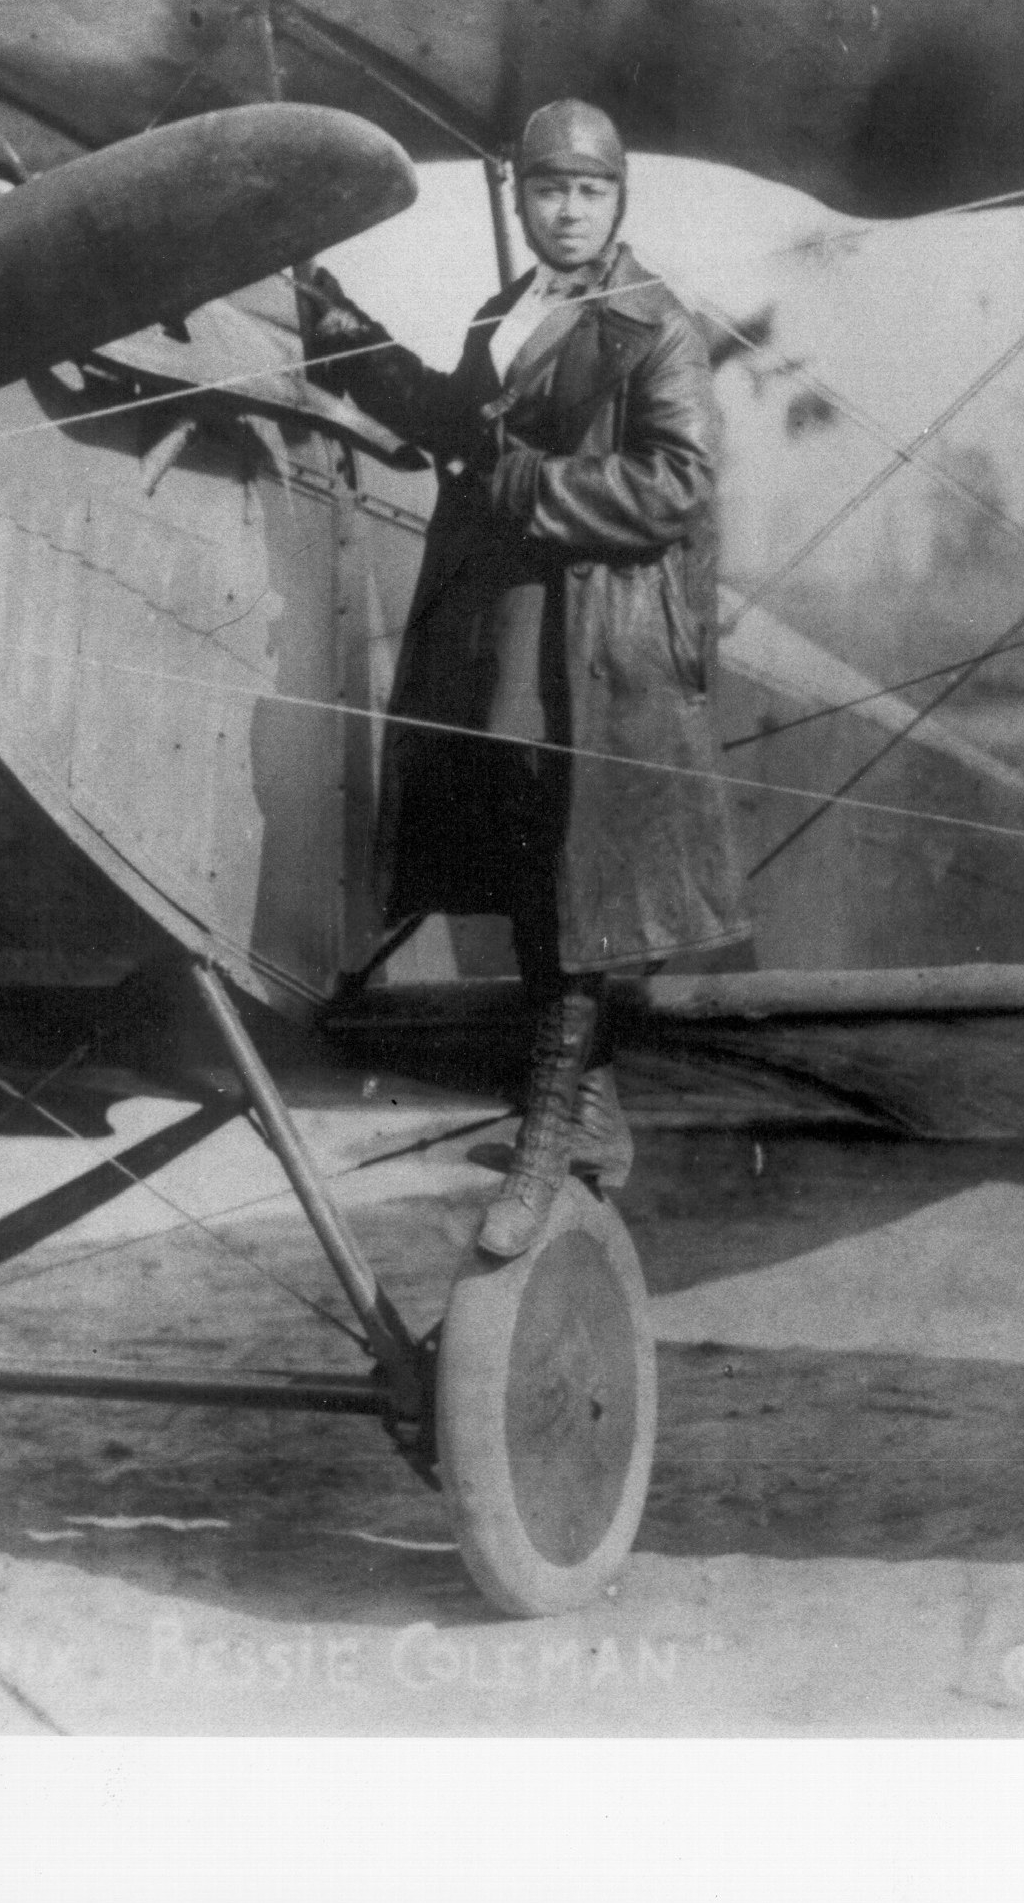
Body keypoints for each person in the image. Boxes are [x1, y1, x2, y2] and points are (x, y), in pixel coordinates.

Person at [297, 99, 748, 1256]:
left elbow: (678, 485)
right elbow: (457, 421)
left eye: (587, 191)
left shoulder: (654, 327)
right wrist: (344, 334)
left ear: (617, 200)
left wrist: (535, 490)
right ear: (522, 199)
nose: (565, 208)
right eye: (547, 189)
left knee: (570, 877)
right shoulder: (511, 310)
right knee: (522, 853)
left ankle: (550, 1133)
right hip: (503, 621)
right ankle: (588, 1114)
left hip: (589, 640)